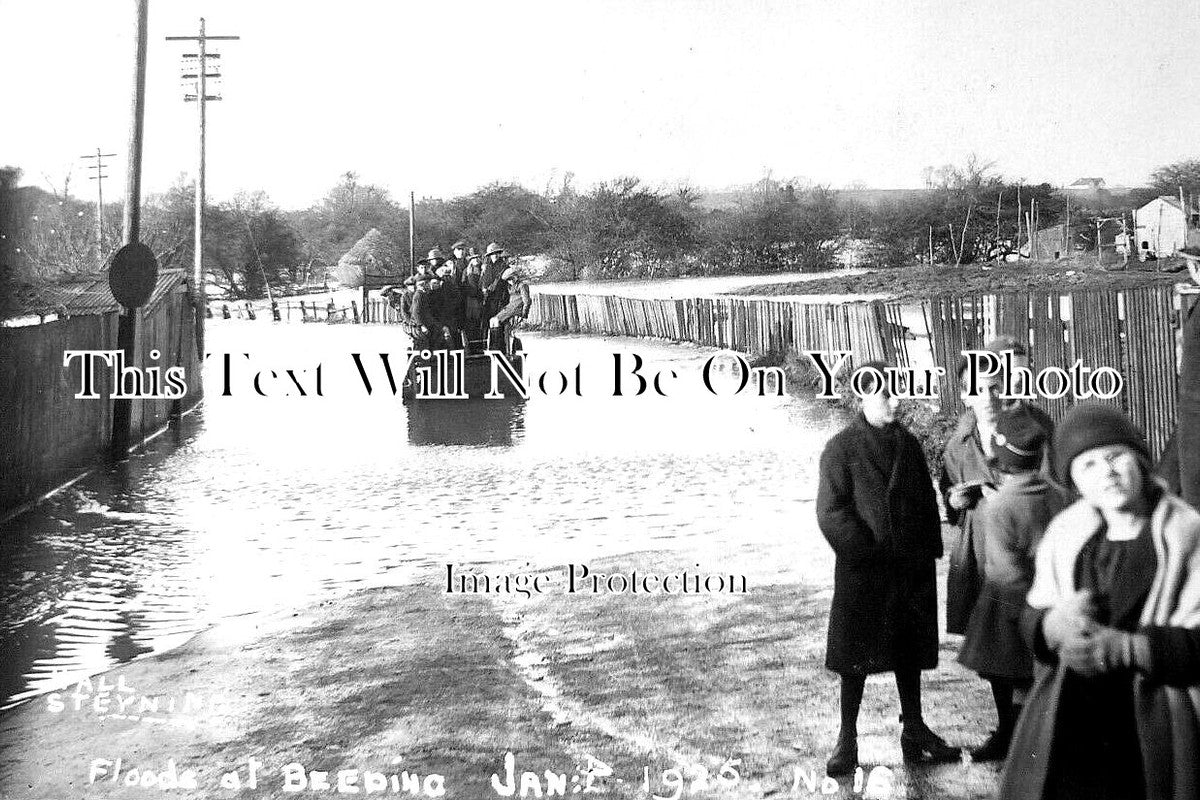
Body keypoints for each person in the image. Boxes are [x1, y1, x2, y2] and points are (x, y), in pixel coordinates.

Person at [997, 404, 1200, 800]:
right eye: (1088, 464)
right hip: (1075, 723)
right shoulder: (1068, 534)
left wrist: (1130, 648)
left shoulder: (1186, 533)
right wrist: (1048, 626)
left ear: (1140, 461)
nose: (1106, 472)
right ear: (1073, 481)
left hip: (1156, 725)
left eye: (1115, 456)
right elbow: (1031, 614)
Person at [816, 362, 959, 775]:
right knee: (854, 659)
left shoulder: (908, 444)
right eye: (885, 395)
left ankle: (914, 729)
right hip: (865, 572)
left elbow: (925, 500)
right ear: (863, 396)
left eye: (898, 393)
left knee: (909, 652)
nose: (895, 402)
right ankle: (847, 739)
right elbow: (830, 512)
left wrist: (927, 550)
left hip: (909, 568)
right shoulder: (841, 448)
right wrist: (864, 552)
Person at [957, 410, 1064, 761]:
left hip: (1009, 605)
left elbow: (1003, 570)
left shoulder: (1000, 505)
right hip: (1049, 600)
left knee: (1006, 676)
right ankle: (1030, 738)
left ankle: (1014, 739)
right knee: (1035, 679)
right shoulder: (1058, 496)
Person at [941, 337, 1054, 635]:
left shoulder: (1033, 433)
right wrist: (955, 501)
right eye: (977, 390)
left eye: (994, 388)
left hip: (1024, 551)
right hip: (980, 555)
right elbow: (950, 498)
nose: (988, 398)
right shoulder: (958, 445)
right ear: (965, 397)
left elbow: (1054, 489)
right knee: (989, 644)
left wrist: (1009, 499)